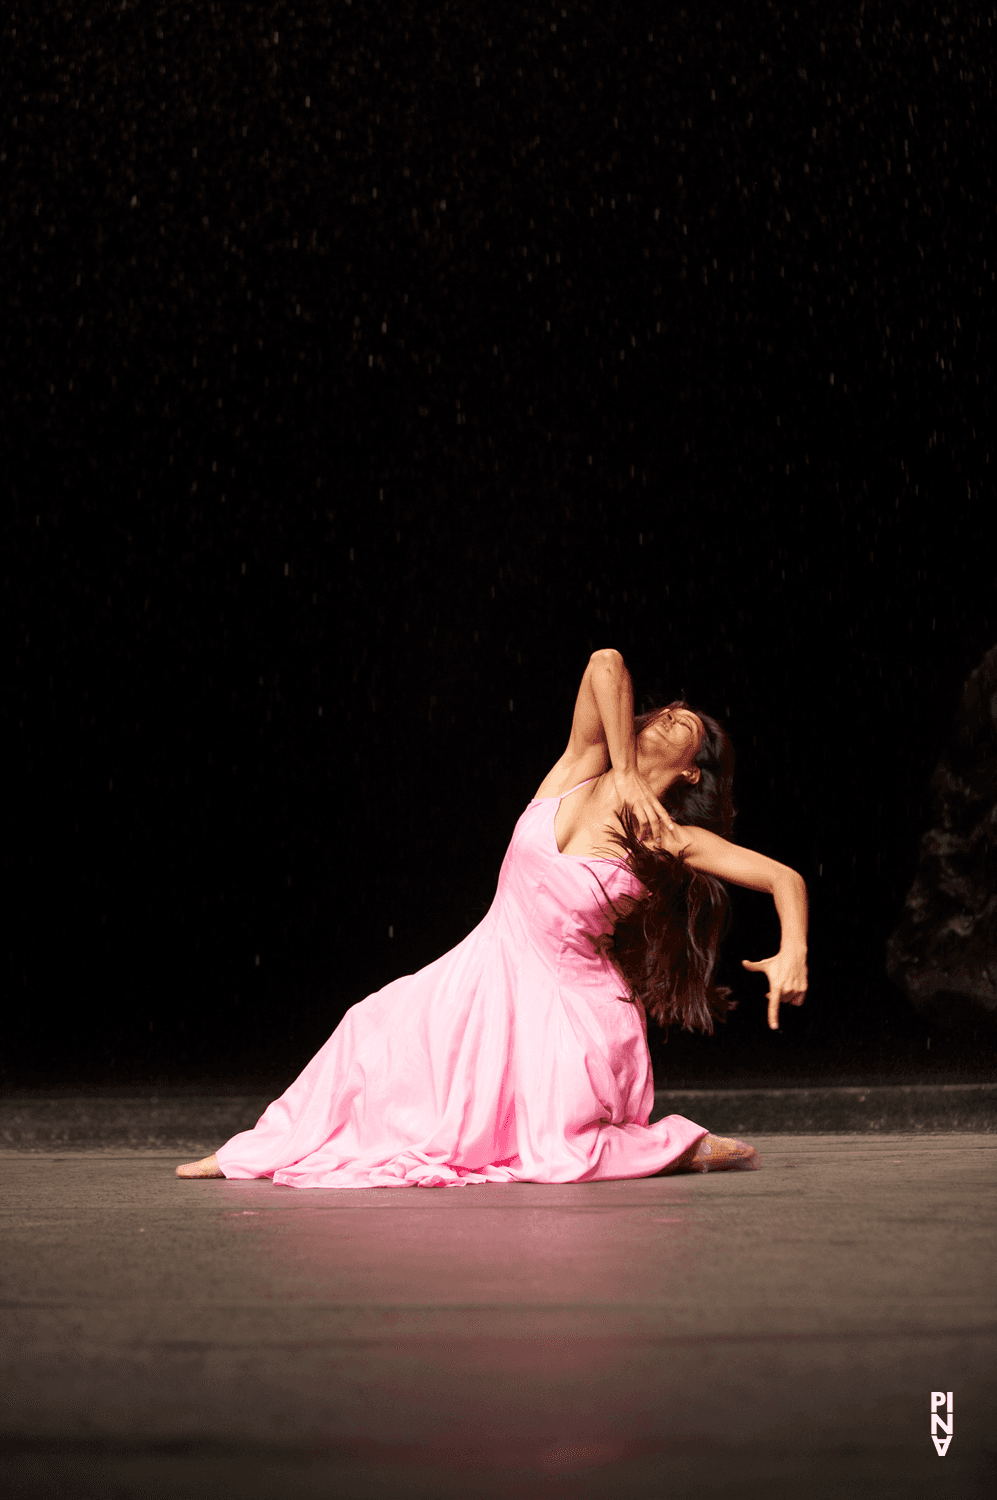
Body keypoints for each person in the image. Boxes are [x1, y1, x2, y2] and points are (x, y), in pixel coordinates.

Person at [177, 648, 808, 1187]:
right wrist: (625, 776)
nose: (673, 715)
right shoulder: (579, 768)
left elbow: (785, 878)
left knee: (556, 1138)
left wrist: (793, 950)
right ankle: (251, 1153)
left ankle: (676, 1147)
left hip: (571, 1004)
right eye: (668, 709)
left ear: (693, 769)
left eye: (688, 724)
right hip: (485, 962)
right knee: (366, 1026)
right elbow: (605, 662)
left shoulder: (666, 838)